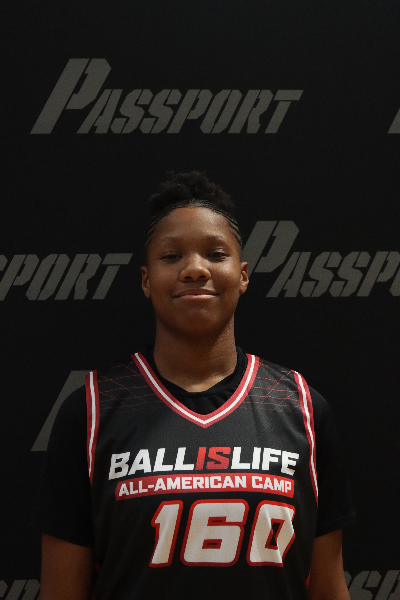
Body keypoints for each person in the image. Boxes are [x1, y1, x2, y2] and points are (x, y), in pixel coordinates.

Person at [34, 171, 355, 600]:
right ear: (146, 280)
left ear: (242, 275)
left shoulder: (300, 407)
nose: (194, 269)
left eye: (215, 254)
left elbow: (329, 588)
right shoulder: (92, 411)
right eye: (171, 256)